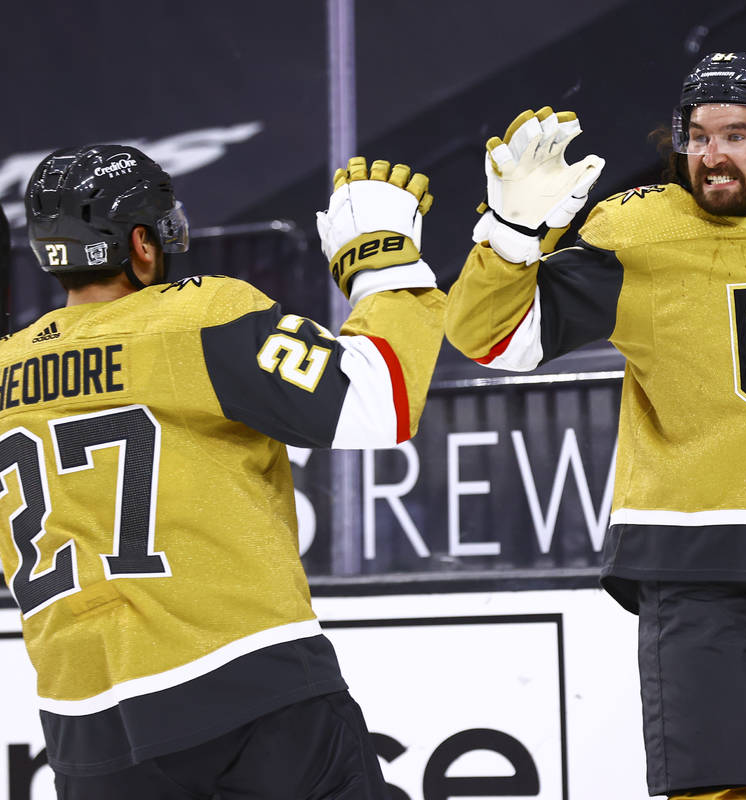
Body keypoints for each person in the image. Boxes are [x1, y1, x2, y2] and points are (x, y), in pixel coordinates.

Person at [445, 52, 746, 799]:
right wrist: (511, 232)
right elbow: (494, 339)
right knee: (712, 791)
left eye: (736, 135)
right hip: (697, 564)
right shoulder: (638, 232)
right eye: (698, 135)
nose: (712, 155)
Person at [5, 145, 445, 798]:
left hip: (84, 727)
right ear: (142, 243)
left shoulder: (7, 368)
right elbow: (380, 402)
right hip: (247, 691)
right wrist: (381, 264)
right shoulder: (200, 316)